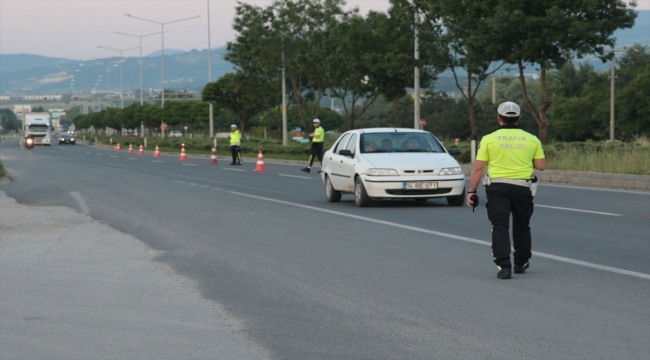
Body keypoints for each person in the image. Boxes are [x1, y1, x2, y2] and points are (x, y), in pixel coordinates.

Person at [467, 101, 546, 280]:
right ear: (518, 118)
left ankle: (504, 266)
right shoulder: (532, 138)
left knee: (499, 226)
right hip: (522, 188)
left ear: (499, 118)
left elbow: (478, 168)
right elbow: (541, 166)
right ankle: (521, 262)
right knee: (522, 225)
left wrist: (471, 191)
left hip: (497, 188)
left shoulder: (489, 139)